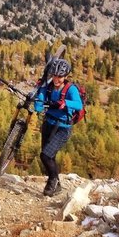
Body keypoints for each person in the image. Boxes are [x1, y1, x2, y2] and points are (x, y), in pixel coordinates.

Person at [34, 57, 83, 197]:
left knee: (45, 155)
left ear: (66, 76)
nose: (56, 79)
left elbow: (79, 105)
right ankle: (57, 185)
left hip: (63, 128)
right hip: (48, 124)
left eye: (60, 76)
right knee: (49, 155)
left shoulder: (71, 89)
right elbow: (40, 98)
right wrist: (37, 105)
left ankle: (53, 180)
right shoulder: (48, 85)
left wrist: (65, 103)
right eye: (54, 75)